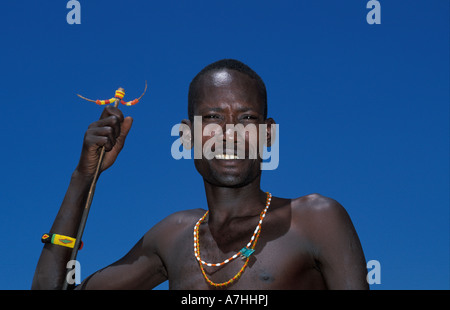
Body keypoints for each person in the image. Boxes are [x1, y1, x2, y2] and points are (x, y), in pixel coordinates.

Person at [32, 59, 369, 290]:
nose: (230, 133)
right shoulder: (174, 237)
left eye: (247, 119)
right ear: (187, 135)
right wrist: (83, 177)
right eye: (212, 118)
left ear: (268, 134)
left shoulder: (316, 220)